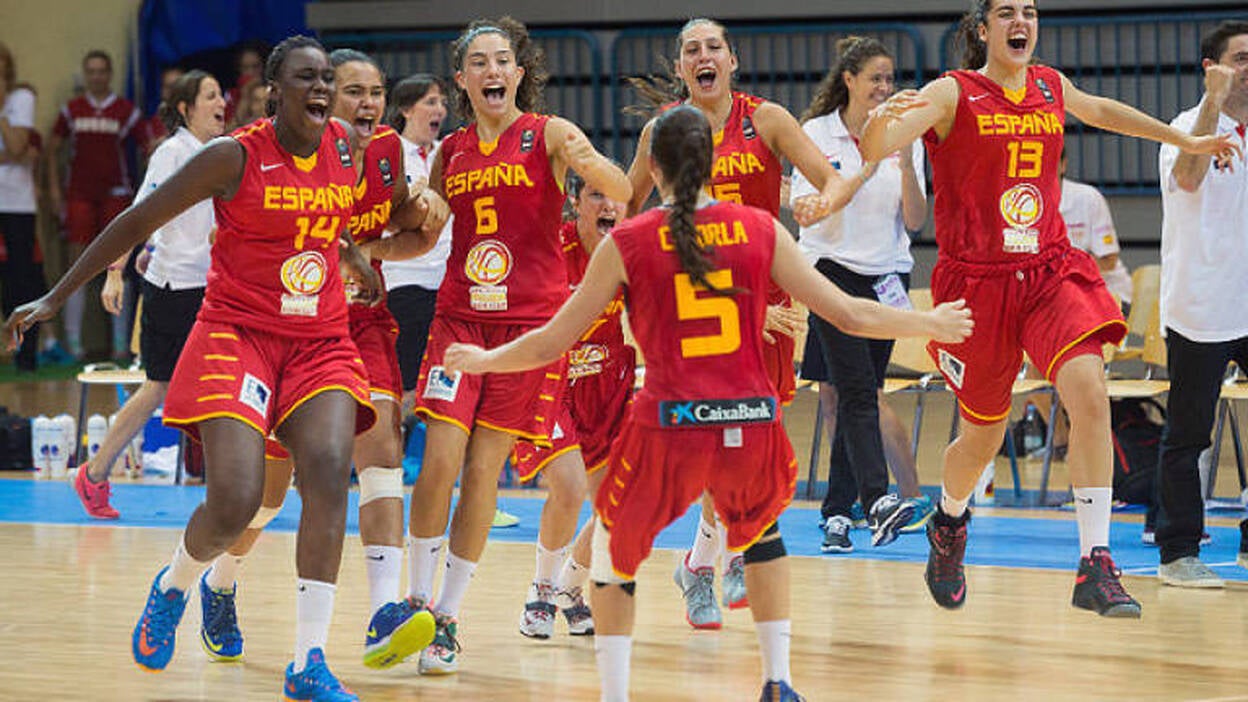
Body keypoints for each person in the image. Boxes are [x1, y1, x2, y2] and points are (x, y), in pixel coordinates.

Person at [441, 104, 972, 702]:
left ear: (655, 170)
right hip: (749, 417)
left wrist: (484, 359)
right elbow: (846, 312)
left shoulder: (629, 240)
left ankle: (614, 693)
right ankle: (778, 680)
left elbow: (552, 339)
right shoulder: (758, 229)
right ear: (714, 162)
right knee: (764, 543)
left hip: (669, 422)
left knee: (616, 557)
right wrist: (927, 321)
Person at [6, 35, 396, 701]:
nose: (322, 89)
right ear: (275, 92)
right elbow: (136, 221)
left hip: (319, 336)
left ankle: (308, 660)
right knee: (236, 500)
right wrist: (55, 295)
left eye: (327, 78)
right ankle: (174, 586)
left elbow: (327, 220)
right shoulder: (232, 156)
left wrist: (352, 257)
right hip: (237, 333)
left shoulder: (340, 146)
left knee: (330, 471)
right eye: (307, 78)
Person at [860, 0, 1239, 617]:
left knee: (1088, 389)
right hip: (977, 285)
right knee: (981, 439)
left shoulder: (1048, 84)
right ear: (983, 30)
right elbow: (879, 143)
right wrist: (879, 123)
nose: (1022, 21)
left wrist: (1182, 136)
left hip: (1047, 270)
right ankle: (950, 520)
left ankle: (1095, 562)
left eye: (1031, 11)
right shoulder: (952, 92)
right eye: (1007, 11)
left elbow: (1103, 111)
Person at [194, 48, 445, 671]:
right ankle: (219, 582)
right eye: (353, 91)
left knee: (384, 450)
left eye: (376, 91)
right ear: (323, 101)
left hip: (359, 325)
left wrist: (423, 222)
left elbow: (399, 236)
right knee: (269, 498)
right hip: (285, 327)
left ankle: (385, 612)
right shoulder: (282, 157)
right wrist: (339, 252)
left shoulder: (387, 154)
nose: (367, 103)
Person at [393, 16, 630, 675]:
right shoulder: (452, 153)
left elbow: (617, 184)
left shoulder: (549, 135)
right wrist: (373, 246)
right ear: (463, 79)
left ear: (518, 74)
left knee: (481, 472)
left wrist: (590, 162)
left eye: (503, 60)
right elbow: (422, 235)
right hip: (458, 322)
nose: (493, 70)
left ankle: (445, 619)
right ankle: (412, 602)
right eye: (480, 62)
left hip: (527, 332)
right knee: (439, 457)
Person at [626, 17, 867, 629]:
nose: (703, 57)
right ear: (680, 68)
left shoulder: (767, 120)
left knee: (749, 438)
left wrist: (820, 201)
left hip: (769, 298)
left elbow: (833, 180)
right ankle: (733, 549)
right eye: (690, 50)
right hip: (701, 303)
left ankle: (701, 563)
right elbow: (626, 205)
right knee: (718, 440)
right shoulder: (664, 132)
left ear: (731, 60)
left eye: (713, 47)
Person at [790, 36, 931, 554]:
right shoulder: (816, 133)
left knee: (853, 396)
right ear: (848, 79)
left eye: (890, 79)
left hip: (886, 278)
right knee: (853, 392)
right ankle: (876, 498)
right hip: (830, 274)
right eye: (875, 77)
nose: (884, 88)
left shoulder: (903, 136)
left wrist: (908, 159)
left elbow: (915, 221)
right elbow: (812, 207)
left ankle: (836, 513)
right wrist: (870, 160)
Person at [72, 70, 225, 520]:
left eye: (222, 96)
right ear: (185, 108)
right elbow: (139, 216)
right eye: (211, 96)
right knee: (157, 387)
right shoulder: (173, 153)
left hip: (209, 288)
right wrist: (116, 272)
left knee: (217, 386)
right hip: (173, 290)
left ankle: (226, 490)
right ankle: (94, 473)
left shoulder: (216, 153)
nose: (222, 104)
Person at [512, 169, 630, 639]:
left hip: (608, 385)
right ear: (575, 202)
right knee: (568, 485)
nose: (607, 206)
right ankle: (540, 591)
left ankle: (570, 588)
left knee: (617, 507)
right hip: (551, 383)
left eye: (616, 197)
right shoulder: (548, 248)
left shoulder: (631, 251)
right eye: (595, 195)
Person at [1154, 20, 1248, 589]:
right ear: (1212, 69)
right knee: (1189, 434)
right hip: (1200, 307)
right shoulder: (1185, 128)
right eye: (1240, 58)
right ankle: (1178, 553)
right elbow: (1189, 179)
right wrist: (1212, 108)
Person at [47, 49, 147, 360]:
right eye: (91, 71)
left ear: (109, 73)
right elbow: (52, 149)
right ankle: (74, 343)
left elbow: (148, 147)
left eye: (102, 70)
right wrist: (52, 189)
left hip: (116, 194)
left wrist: (148, 193)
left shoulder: (125, 110)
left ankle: (120, 344)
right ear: (85, 74)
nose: (96, 76)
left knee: (119, 265)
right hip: (78, 194)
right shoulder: (72, 110)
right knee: (78, 265)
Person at [0, 42, 44, 372]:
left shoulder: (21, 99)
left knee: (22, 281)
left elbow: (17, 146)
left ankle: (26, 355)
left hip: (17, 204)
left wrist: (1, 106)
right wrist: (14, 156)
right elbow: (16, 153)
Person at [1059, 149, 1131, 308]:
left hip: (1108, 294)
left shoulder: (1088, 198)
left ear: (1063, 165)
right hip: (1056, 298)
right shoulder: (1021, 204)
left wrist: (1058, 274)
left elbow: (1108, 260)